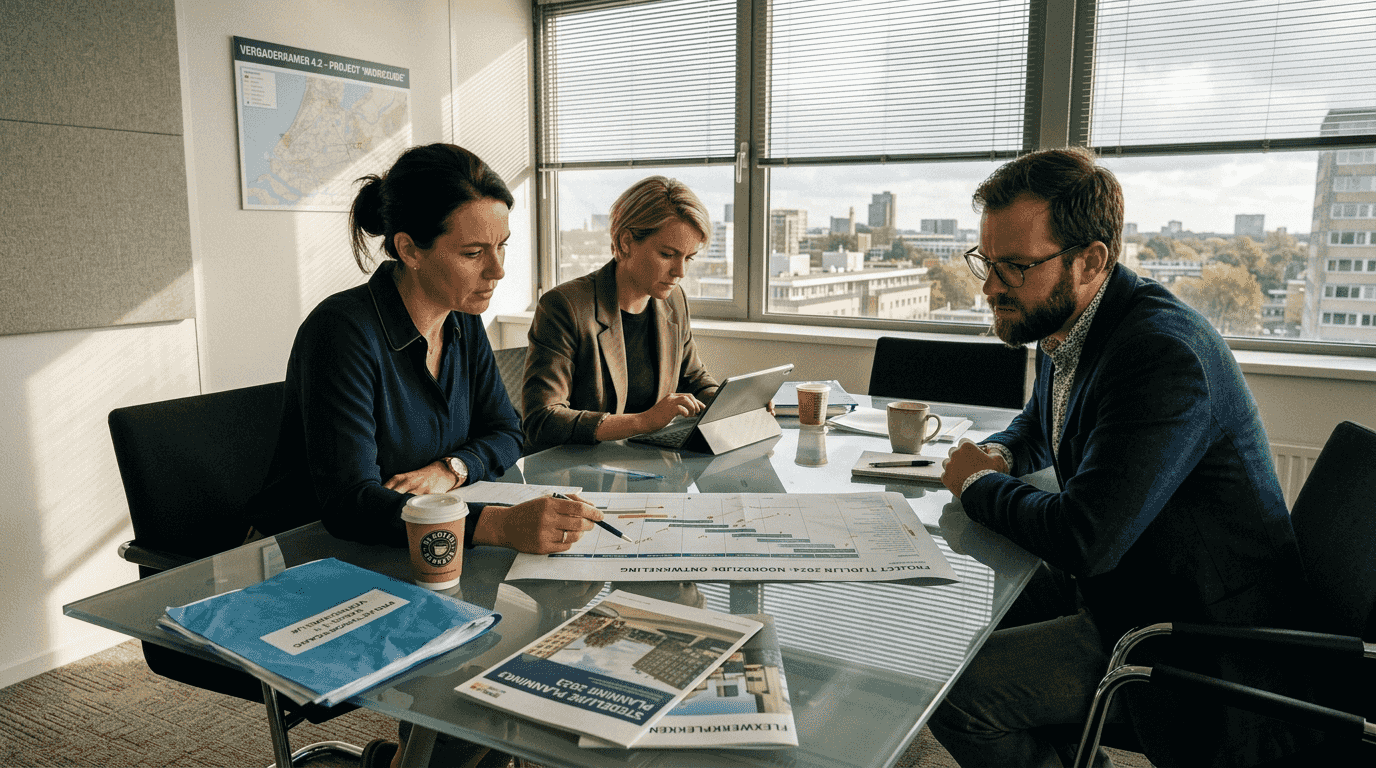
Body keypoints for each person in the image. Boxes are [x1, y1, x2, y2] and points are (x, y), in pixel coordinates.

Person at [930, 147, 1313, 767]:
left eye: (1015, 266)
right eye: (986, 261)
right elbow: (1047, 418)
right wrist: (1001, 452)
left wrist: (977, 484)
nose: (990, 286)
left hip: (1187, 634)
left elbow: (1085, 538)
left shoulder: (1159, 356)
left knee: (958, 698)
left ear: (1090, 260)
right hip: (1132, 582)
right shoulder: (1080, 323)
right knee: (977, 602)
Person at [250, 143, 603, 554]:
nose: (498, 270)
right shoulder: (341, 331)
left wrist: (451, 469)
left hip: (413, 542)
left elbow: (507, 431)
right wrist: (500, 525)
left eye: (501, 245)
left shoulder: (462, 316)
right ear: (410, 250)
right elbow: (350, 503)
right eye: (473, 253)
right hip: (309, 553)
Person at [521, 176, 721, 454]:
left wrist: (731, 401)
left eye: (688, 258)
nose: (680, 272)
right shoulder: (565, 306)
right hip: (577, 472)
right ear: (626, 241)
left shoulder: (674, 300)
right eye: (667, 254)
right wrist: (643, 421)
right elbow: (542, 420)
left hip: (646, 464)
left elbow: (694, 378)